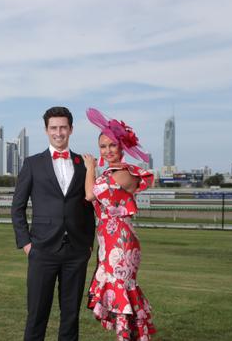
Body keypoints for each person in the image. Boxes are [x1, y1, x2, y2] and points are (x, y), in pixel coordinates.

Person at [11, 106, 96, 341]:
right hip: (42, 250)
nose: (59, 132)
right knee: (37, 314)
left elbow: (89, 207)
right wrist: (26, 244)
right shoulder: (32, 164)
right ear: (46, 130)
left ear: (71, 129)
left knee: (71, 316)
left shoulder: (84, 164)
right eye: (54, 128)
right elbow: (17, 208)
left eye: (63, 127)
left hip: (76, 251)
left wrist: (88, 244)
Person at [82, 108, 156, 341]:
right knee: (118, 289)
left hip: (121, 240)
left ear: (122, 147)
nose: (107, 150)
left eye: (112, 145)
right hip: (109, 238)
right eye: (103, 146)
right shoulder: (111, 173)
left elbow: (89, 195)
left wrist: (90, 167)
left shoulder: (119, 173)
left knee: (120, 289)